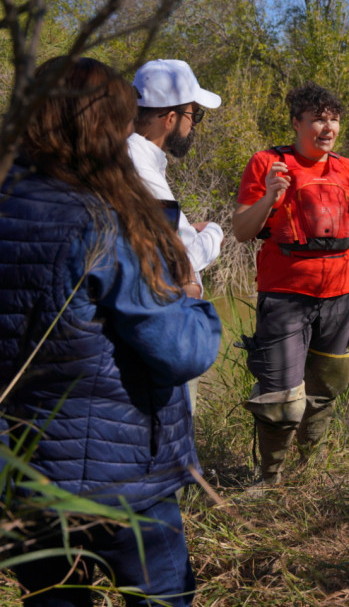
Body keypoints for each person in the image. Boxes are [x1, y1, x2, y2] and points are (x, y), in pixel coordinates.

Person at [0, 57, 222, 605]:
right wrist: (196, 305)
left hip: (27, 472)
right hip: (122, 480)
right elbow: (179, 351)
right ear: (105, 126)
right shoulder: (103, 220)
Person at [233, 82, 349, 484]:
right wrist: (270, 197)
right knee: (280, 394)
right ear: (297, 123)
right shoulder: (267, 163)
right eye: (318, 120)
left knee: (324, 386)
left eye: (334, 120)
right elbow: (241, 230)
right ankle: (269, 479)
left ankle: (308, 472)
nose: (327, 128)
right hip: (286, 291)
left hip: (343, 291)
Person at [130, 59, 224, 300]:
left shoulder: (133, 152)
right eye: (193, 114)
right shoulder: (137, 164)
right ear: (170, 118)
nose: (193, 124)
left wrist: (184, 233)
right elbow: (184, 258)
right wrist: (213, 232)